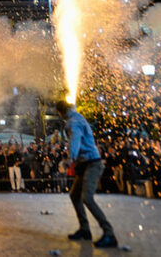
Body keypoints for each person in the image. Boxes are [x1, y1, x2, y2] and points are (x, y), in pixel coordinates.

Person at [55, 100, 117, 249]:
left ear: (59, 112)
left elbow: (75, 140)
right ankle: (85, 230)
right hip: (86, 163)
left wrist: (71, 158)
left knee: (87, 198)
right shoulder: (78, 117)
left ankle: (109, 234)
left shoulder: (71, 122)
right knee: (75, 195)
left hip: (91, 163)